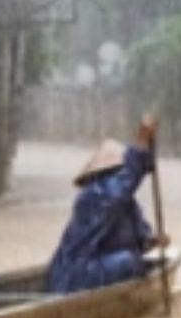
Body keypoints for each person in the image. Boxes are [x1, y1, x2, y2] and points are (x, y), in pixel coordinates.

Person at [47, 114, 167, 294]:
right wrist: (141, 142)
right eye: (117, 173)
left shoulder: (127, 205)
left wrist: (152, 241)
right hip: (74, 276)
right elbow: (121, 187)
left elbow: (136, 241)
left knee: (131, 258)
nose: (118, 178)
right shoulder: (93, 197)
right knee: (129, 261)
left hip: (95, 269)